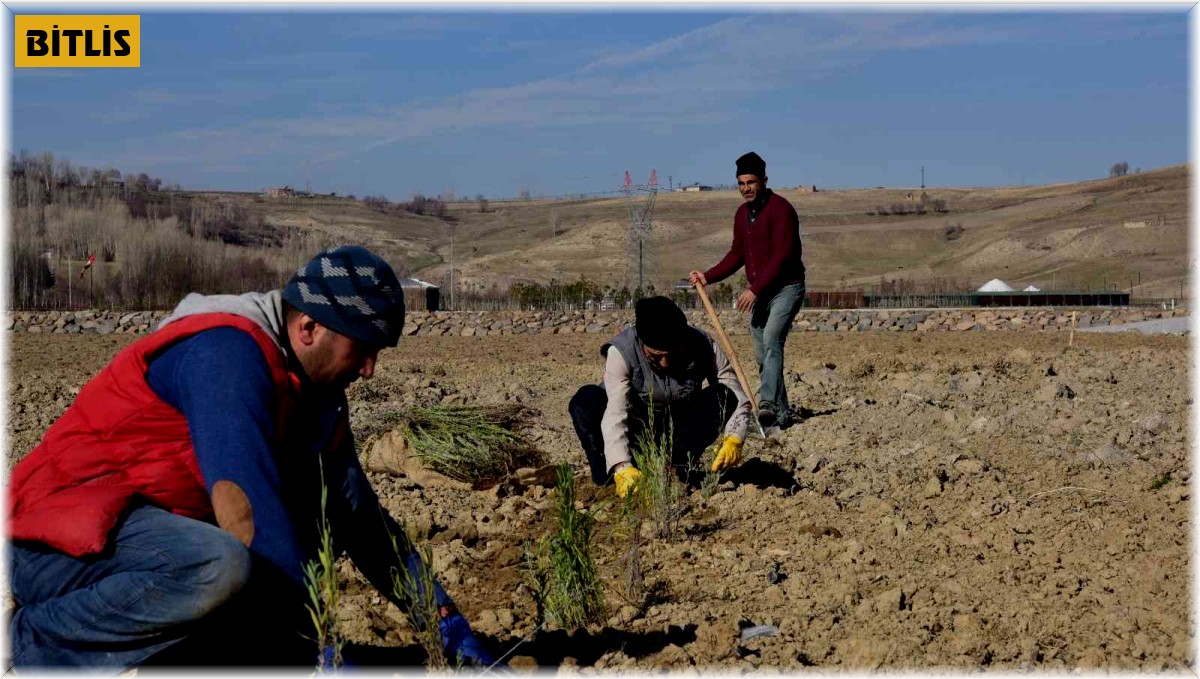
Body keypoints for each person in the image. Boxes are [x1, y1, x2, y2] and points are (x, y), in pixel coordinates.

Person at [7, 245, 496, 670]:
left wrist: (443, 623)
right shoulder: (228, 354)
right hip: (62, 548)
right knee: (222, 565)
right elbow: (246, 512)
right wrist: (312, 647)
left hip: (150, 553)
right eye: (362, 350)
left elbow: (358, 517)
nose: (370, 370)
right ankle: (28, 646)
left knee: (309, 521)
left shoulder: (316, 394)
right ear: (308, 328)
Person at [568, 296, 752, 497]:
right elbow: (615, 412)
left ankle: (675, 469)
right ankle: (611, 476)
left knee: (723, 396)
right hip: (637, 428)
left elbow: (735, 392)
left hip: (677, 431)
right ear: (641, 342)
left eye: (671, 354)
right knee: (585, 401)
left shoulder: (702, 344)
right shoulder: (621, 352)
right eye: (656, 356)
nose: (664, 363)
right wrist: (622, 466)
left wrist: (735, 437)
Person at [689, 151, 805, 430]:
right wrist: (708, 276)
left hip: (786, 287)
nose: (746, 188)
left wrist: (754, 289)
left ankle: (766, 406)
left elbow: (783, 257)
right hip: (761, 291)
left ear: (764, 180)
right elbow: (736, 254)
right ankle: (780, 413)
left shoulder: (781, 210)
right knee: (761, 352)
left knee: (772, 339)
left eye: (751, 182)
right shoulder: (742, 215)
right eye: (741, 183)